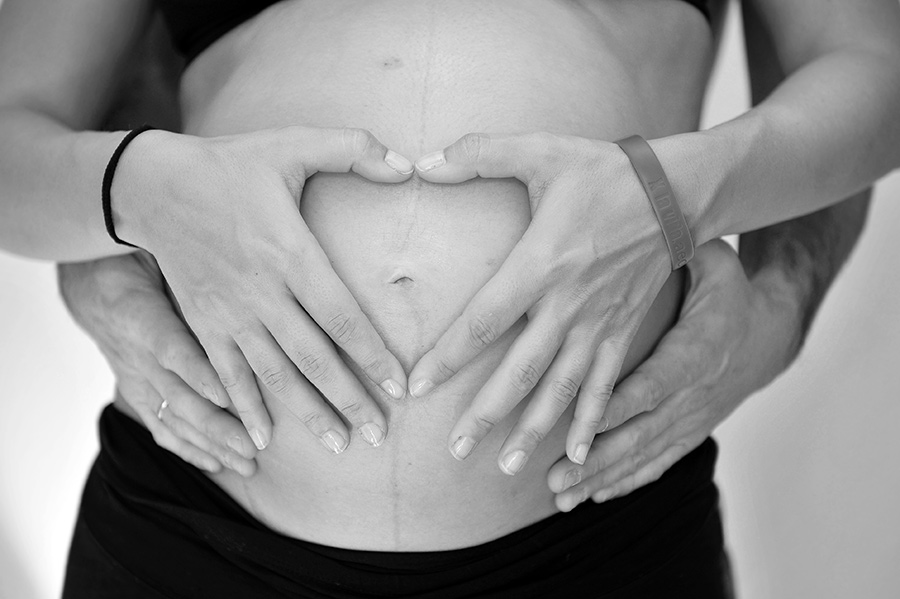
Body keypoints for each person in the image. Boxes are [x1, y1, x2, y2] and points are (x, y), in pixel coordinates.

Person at [0, 0, 897, 596]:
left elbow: (872, 66)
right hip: (193, 519)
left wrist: (677, 196)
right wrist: (137, 188)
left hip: (600, 526)